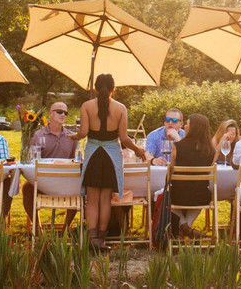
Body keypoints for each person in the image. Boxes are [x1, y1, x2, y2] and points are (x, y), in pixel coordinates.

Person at [80, 73, 147, 251]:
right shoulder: (120, 108)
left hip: (94, 154)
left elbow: (83, 132)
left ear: (95, 88)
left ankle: (91, 238)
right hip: (111, 156)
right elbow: (124, 138)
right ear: (113, 90)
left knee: (92, 200)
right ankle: (102, 240)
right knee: (105, 199)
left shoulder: (86, 106)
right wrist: (137, 150)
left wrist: (73, 136)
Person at [22, 101, 81, 226]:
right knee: (27, 188)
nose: (63, 115)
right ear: (50, 114)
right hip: (43, 182)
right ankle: (37, 230)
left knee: (79, 188)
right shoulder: (37, 135)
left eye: (65, 112)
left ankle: (66, 229)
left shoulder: (72, 137)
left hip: (66, 182)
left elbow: (77, 159)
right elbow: (30, 159)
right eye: (59, 111)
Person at [168, 113, 215, 239]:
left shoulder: (178, 146)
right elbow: (206, 173)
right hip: (201, 197)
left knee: (161, 195)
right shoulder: (211, 150)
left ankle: (184, 227)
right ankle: (187, 230)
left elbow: (170, 172)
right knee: (200, 197)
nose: (185, 127)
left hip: (178, 196)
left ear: (193, 128)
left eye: (187, 124)